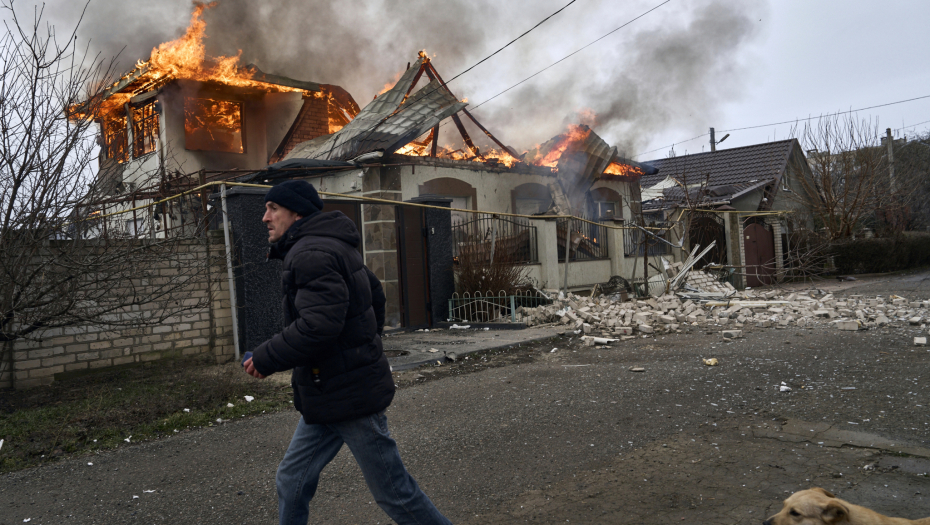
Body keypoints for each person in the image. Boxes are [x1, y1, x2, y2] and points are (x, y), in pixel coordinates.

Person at [242, 180, 452, 525]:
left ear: (296, 213)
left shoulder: (311, 254)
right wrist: (363, 345)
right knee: (291, 480)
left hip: (348, 395)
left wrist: (265, 357)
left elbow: (317, 326)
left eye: (272, 208)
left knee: (395, 494)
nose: (265, 217)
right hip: (328, 391)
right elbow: (376, 297)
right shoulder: (331, 245)